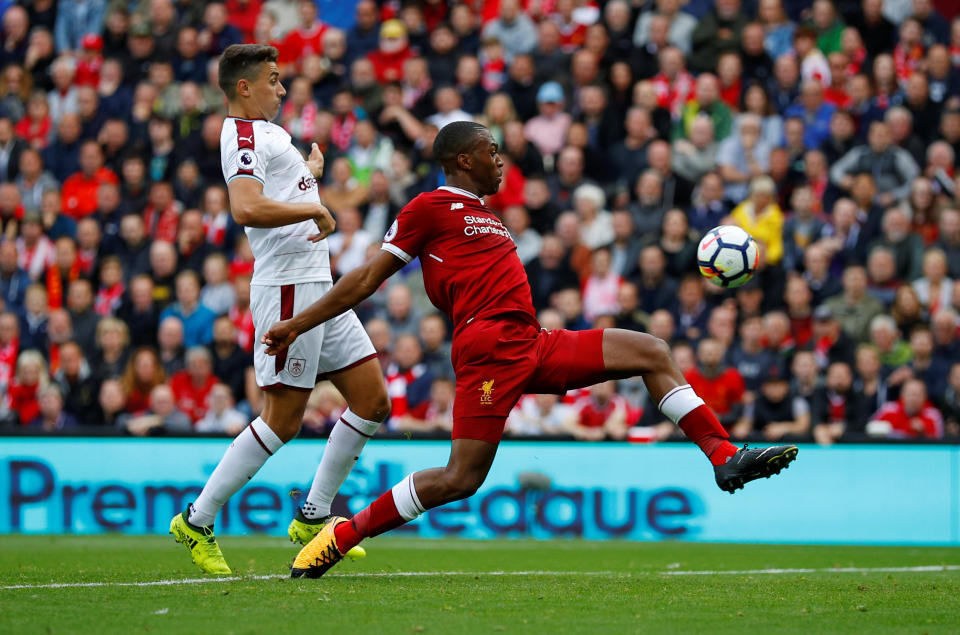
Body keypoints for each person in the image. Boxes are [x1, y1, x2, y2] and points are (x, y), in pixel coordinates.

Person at [261, 121, 799, 579]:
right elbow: (365, 279)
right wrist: (298, 324)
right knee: (460, 479)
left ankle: (725, 457)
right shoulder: (429, 206)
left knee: (652, 350)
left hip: (534, 342)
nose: (501, 162)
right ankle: (338, 537)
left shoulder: (487, 215)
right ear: (464, 158)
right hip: (489, 348)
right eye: (493, 152)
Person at [169, 45, 390, 576]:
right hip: (289, 288)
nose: (282, 88)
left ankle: (313, 516)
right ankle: (196, 520)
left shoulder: (270, 135)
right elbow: (246, 207)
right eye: (272, 79)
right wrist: (313, 204)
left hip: (319, 284)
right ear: (243, 88)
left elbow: (276, 192)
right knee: (284, 420)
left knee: (373, 401)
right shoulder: (240, 135)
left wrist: (308, 175)